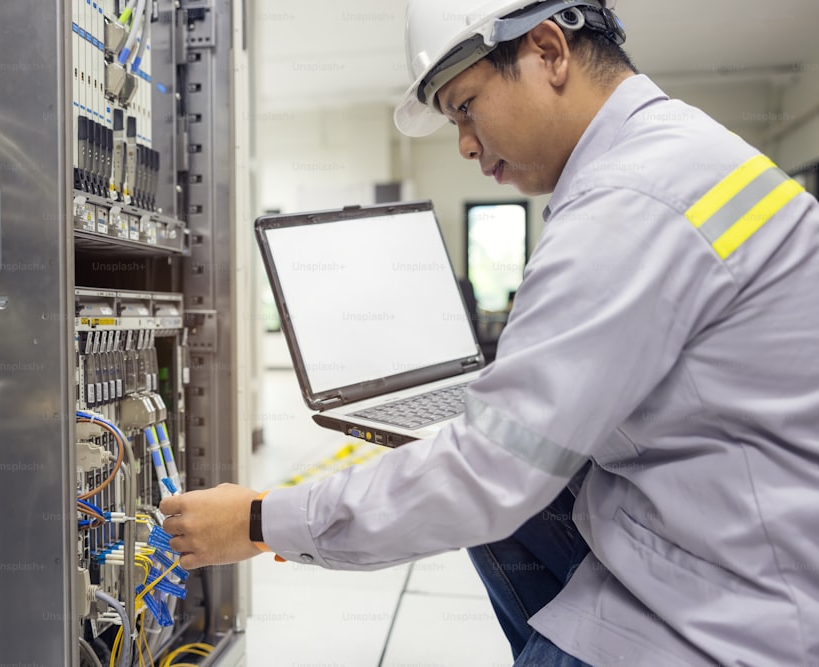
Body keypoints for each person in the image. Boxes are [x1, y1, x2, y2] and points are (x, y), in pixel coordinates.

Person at [161, 0, 819, 664]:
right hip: (727, 534)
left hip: (734, 613)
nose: (467, 144)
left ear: (548, 50)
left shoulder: (630, 203)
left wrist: (255, 519)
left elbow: (487, 474)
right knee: (490, 478)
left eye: (467, 106)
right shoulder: (673, 151)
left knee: (484, 479)